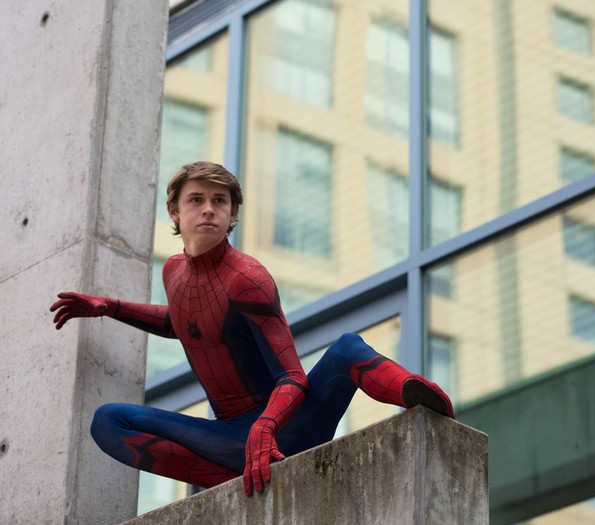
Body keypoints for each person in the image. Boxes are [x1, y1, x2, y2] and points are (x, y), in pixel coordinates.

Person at [50, 161, 454, 497]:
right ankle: (233, 481)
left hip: (288, 426)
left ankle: (418, 395)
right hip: (233, 440)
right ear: (175, 212)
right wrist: (109, 307)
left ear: (232, 215)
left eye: (219, 201)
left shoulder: (248, 277)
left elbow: (294, 377)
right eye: (196, 200)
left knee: (346, 348)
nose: (208, 209)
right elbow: (186, 324)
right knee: (108, 420)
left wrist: (266, 425)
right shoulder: (173, 272)